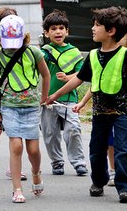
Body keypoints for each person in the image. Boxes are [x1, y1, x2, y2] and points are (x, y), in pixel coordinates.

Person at [46, 6, 127, 204]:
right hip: (99, 113)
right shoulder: (92, 56)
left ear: (111, 31)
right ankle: (98, 181)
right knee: (96, 149)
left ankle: (125, 187)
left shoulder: (125, 56)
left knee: (123, 150)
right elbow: (79, 79)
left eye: (97, 25)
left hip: (122, 112)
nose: (93, 28)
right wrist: (55, 94)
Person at [74, 19, 127, 192]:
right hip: (101, 111)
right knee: (104, 145)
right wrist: (82, 102)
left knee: (125, 147)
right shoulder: (97, 55)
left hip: (126, 111)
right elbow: (96, 84)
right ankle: (110, 173)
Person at [0, 14, 50, 203]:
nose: (12, 45)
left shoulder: (33, 53)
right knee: (16, 146)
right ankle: (17, 188)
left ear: (23, 36)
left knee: (33, 150)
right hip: (9, 107)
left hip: (31, 106)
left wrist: (44, 97)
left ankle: (35, 172)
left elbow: (45, 75)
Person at [0, 7, 29, 181]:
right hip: (0, 94)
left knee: (17, 132)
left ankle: (14, 166)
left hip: (18, 95)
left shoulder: (22, 45)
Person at [40, 10, 88, 176]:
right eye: (53, 29)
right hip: (48, 101)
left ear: (67, 31)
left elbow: (81, 74)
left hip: (69, 100)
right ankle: (57, 162)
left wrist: (68, 77)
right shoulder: (44, 52)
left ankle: (79, 162)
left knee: (73, 130)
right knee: (50, 133)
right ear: (46, 33)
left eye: (61, 28)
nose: (58, 32)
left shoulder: (74, 52)